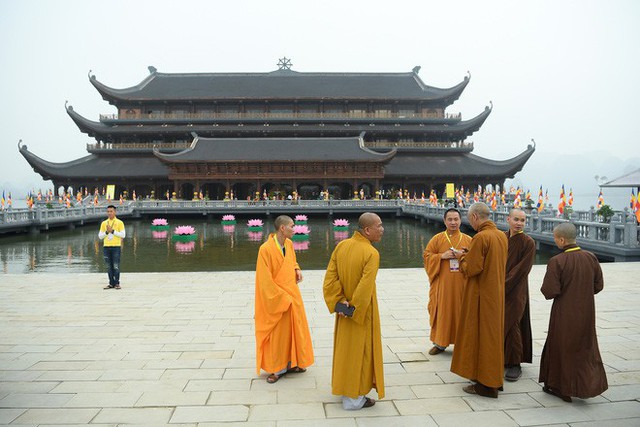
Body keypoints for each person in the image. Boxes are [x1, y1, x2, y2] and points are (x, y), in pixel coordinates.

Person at [539, 222, 608, 402]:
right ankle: (586, 386)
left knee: (561, 347)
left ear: (561, 240)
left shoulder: (557, 261)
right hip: (586, 311)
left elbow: (549, 291)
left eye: (555, 238)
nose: (555, 241)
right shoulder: (591, 257)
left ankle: (560, 387)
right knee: (584, 348)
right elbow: (598, 285)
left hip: (564, 313)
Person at [323, 212, 385, 410]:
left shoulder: (341, 246)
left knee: (344, 350)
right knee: (361, 352)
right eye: (379, 226)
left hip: (344, 311)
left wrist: (339, 303)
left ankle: (343, 388)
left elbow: (330, 279)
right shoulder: (371, 253)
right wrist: (354, 309)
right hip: (361, 312)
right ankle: (354, 398)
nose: (382, 229)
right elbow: (365, 287)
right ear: (367, 230)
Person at [451, 202, 508, 398]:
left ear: (475, 217)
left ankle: (486, 384)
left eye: (468, 217)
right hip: (496, 293)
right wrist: (470, 254)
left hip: (481, 295)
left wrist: (461, 257)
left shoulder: (481, 237)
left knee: (482, 337)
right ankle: (492, 378)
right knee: (492, 336)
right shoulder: (501, 235)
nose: (469, 221)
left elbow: (471, 269)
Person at [254, 215, 314, 384]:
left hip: (292, 294)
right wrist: (281, 297)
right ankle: (277, 368)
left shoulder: (288, 244)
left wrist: (296, 268)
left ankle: (293, 363)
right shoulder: (265, 249)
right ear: (282, 228)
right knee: (279, 334)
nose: (294, 229)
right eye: (292, 226)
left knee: (295, 330)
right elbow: (264, 279)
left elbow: (292, 260)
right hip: (278, 297)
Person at [422, 208, 472, 355]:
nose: (453, 222)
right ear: (444, 221)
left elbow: (475, 261)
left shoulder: (468, 240)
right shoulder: (437, 239)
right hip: (443, 285)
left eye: (456, 219)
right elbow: (427, 256)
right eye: (449, 219)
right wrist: (441, 257)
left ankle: (464, 344)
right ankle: (440, 343)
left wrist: (462, 256)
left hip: (462, 285)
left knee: (463, 313)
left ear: (460, 221)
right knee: (442, 312)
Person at [503, 209, 536, 381]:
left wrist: (503, 284)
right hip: (498, 287)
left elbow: (522, 269)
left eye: (522, 220)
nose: (519, 223)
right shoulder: (501, 237)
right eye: (516, 219)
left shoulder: (528, 242)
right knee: (500, 323)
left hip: (516, 289)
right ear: (508, 219)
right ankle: (503, 358)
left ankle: (515, 363)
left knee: (513, 323)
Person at [98, 204, 126, 289]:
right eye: (108, 212)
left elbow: (123, 235)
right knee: (108, 266)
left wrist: (112, 231)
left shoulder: (119, 222)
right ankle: (111, 283)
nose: (109, 213)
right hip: (106, 247)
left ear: (115, 212)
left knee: (115, 265)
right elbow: (100, 236)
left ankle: (117, 283)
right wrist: (107, 232)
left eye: (111, 211)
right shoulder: (104, 223)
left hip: (116, 247)